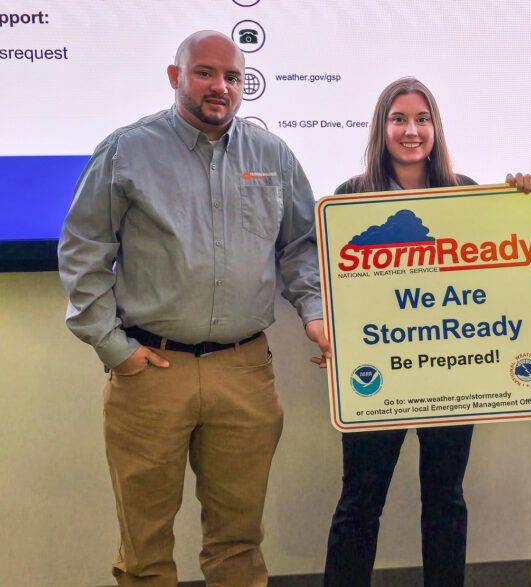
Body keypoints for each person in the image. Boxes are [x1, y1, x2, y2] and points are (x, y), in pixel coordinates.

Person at [58, 31, 330, 586]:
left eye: (232, 77)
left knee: (239, 543)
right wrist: (115, 349)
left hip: (244, 372)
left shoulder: (273, 154)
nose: (220, 87)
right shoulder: (126, 150)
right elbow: (84, 250)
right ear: (174, 76)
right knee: (145, 547)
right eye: (205, 72)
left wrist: (314, 312)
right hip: (151, 373)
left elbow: (301, 247)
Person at [324, 76, 531, 587]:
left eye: (422, 119)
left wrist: (521, 196)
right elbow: (335, 286)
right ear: (381, 128)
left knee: (446, 499)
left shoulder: (463, 191)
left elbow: (500, 269)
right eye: (399, 119)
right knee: (360, 503)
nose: (411, 131)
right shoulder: (351, 196)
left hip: (450, 376)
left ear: (435, 128)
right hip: (379, 375)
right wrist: (334, 334)